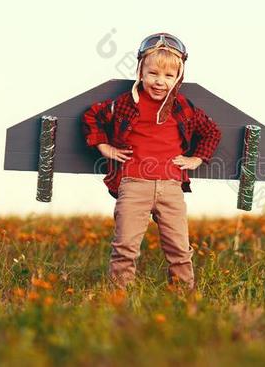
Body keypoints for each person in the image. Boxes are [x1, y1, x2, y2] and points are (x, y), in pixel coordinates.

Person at [82, 33, 222, 290]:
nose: (160, 82)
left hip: (171, 186)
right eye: (153, 74)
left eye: (169, 76)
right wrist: (104, 147)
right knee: (125, 247)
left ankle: (183, 298)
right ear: (140, 72)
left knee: (179, 249)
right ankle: (119, 298)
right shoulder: (125, 104)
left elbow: (211, 131)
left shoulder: (183, 107)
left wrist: (197, 158)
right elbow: (92, 116)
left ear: (178, 77)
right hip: (134, 184)